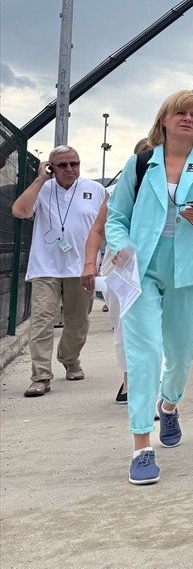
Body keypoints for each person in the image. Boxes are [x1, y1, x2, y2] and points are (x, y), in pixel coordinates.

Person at [105, 91, 193, 485]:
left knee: (181, 355)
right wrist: (121, 244)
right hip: (143, 267)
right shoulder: (140, 163)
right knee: (144, 353)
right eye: (180, 112)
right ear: (164, 119)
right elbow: (116, 217)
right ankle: (141, 446)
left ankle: (170, 404)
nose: (188, 119)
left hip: (191, 268)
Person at [12, 145, 106, 397]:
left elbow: (106, 227)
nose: (69, 169)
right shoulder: (42, 189)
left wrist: (101, 261)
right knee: (41, 320)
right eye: (62, 165)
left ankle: (70, 359)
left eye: (74, 164)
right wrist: (40, 179)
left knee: (78, 322)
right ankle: (41, 376)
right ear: (51, 167)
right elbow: (20, 211)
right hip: (45, 267)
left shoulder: (95, 190)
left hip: (82, 267)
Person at [83, 138, 152, 404]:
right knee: (124, 324)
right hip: (119, 265)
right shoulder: (116, 192)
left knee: (157, 325)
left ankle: (153, 381)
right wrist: (90, 264)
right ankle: (128, 379)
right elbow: (98, 230)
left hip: (158, 263)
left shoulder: (175, 189)